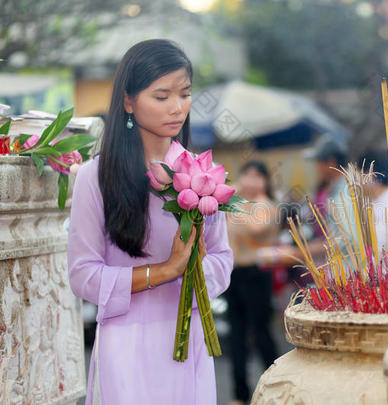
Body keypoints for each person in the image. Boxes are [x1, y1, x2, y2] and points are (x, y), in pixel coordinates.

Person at [67, 39, 233, 404]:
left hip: (187, 342)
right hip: (124, 344)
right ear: (129, 101)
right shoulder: (95, 177)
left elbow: (223, 259)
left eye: (185, 94)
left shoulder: (203, 176)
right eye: (162, 97)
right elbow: (82, 276)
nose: (178, 108)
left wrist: (195, 270)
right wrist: (166, 269)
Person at [225, 161, 279, 405]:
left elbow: (256, 229)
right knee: (236, 336)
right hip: (234, 274)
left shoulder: (266, 205)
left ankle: (278, 388)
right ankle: (239, 394)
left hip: (257, 274)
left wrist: (234, 200)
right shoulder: (236, 204)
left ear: (266, 181)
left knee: (261, 334)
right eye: (246, 174)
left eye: (257, 176)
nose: (250, 180)